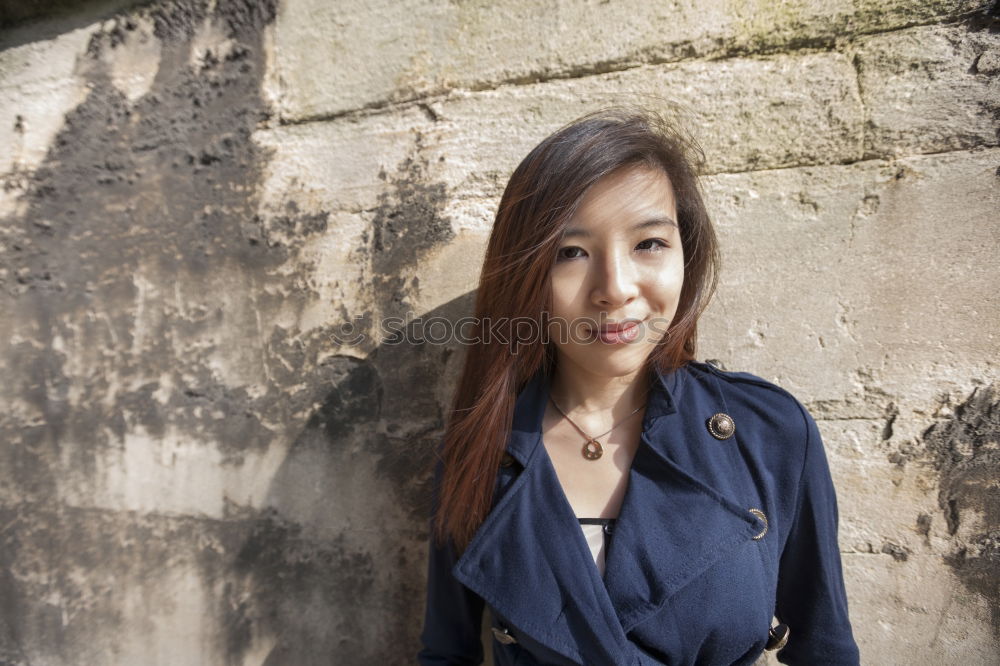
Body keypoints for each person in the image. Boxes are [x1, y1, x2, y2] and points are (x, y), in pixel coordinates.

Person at [416, 107, 860, 665]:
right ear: (525, 273)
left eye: (649, 243)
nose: (615, 288)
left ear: (686, 255)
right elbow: (445, 653)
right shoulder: (482, 449)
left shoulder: (769, 432)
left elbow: (826, 649)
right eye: (569, 253)